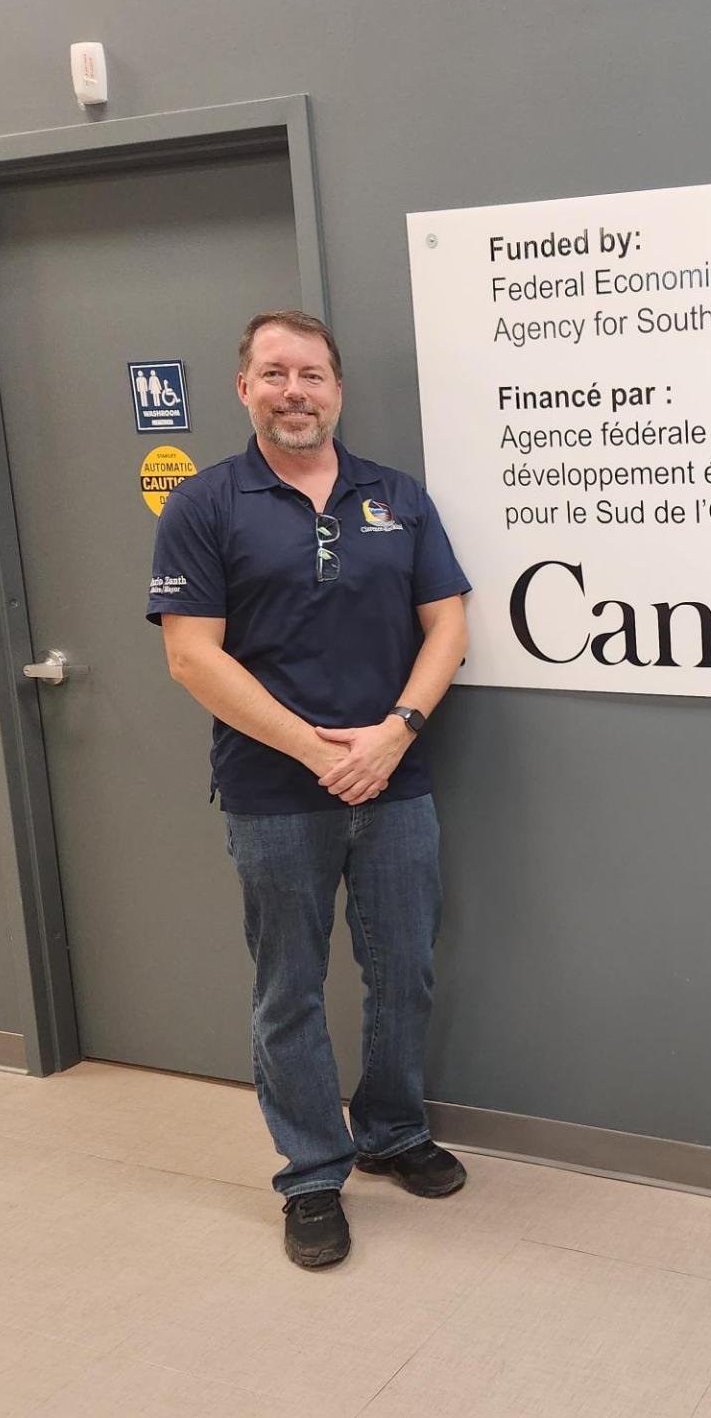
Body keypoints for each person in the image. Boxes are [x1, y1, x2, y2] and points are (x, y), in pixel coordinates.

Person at [147, 310, 473, 1268]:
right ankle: (311, 1173)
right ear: (243, 387)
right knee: (287, 986)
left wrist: (394, 734)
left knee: (403, 971)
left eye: (315, 374)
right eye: (276, 373)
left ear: (339, 389)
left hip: (397, 785)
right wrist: (317, 751)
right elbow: (190, 658)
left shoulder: (397, 498)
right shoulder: (205, 505)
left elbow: (447, 627)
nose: (297, 391)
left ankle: (392, 1131)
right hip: (272, 794)